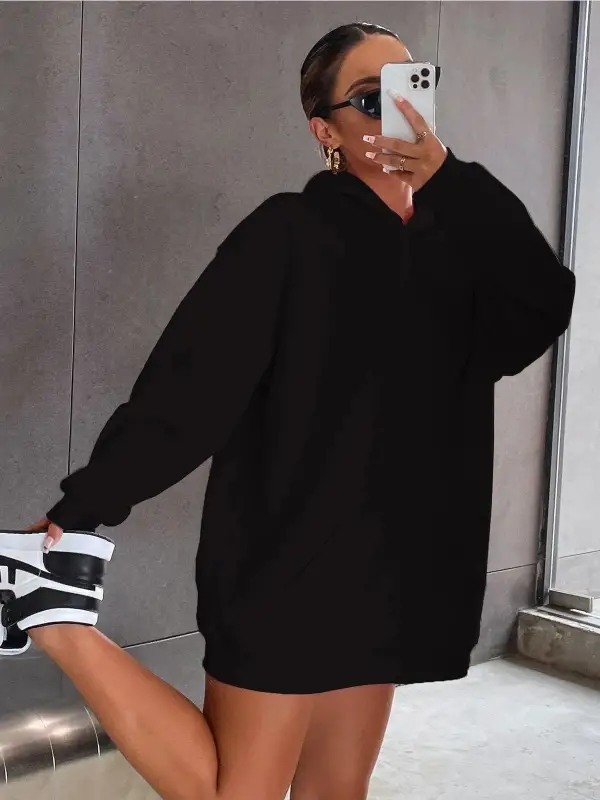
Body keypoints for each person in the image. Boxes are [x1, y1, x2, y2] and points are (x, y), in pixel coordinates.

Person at [0, 21, 575, 800]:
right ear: (324, 131)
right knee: (233, 793)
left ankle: (42, 601)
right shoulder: (287, 235)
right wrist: (88, 504)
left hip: (397, 569)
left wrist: (452, 180)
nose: (399, 112)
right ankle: (49, 609)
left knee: (336, 791)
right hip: (288, 561)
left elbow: (543, 304)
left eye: (413, 87)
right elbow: (189, 391)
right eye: (370, 99)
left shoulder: (460, 249)